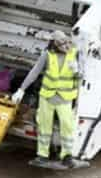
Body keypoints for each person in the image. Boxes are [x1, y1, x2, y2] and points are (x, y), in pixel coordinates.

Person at [12, 30, 83, 168]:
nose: (65, 46)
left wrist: (77, 72)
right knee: (44, 127)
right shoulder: (47, 55)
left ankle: (67, 157)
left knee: (67, 127)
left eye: (66, 42)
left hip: (64, 98)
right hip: (47, 97)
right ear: (54, 44)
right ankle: (42, 156)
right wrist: (21, 89)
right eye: (61, 43)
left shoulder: (73, 54)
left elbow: (80, 78)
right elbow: (34, 72)